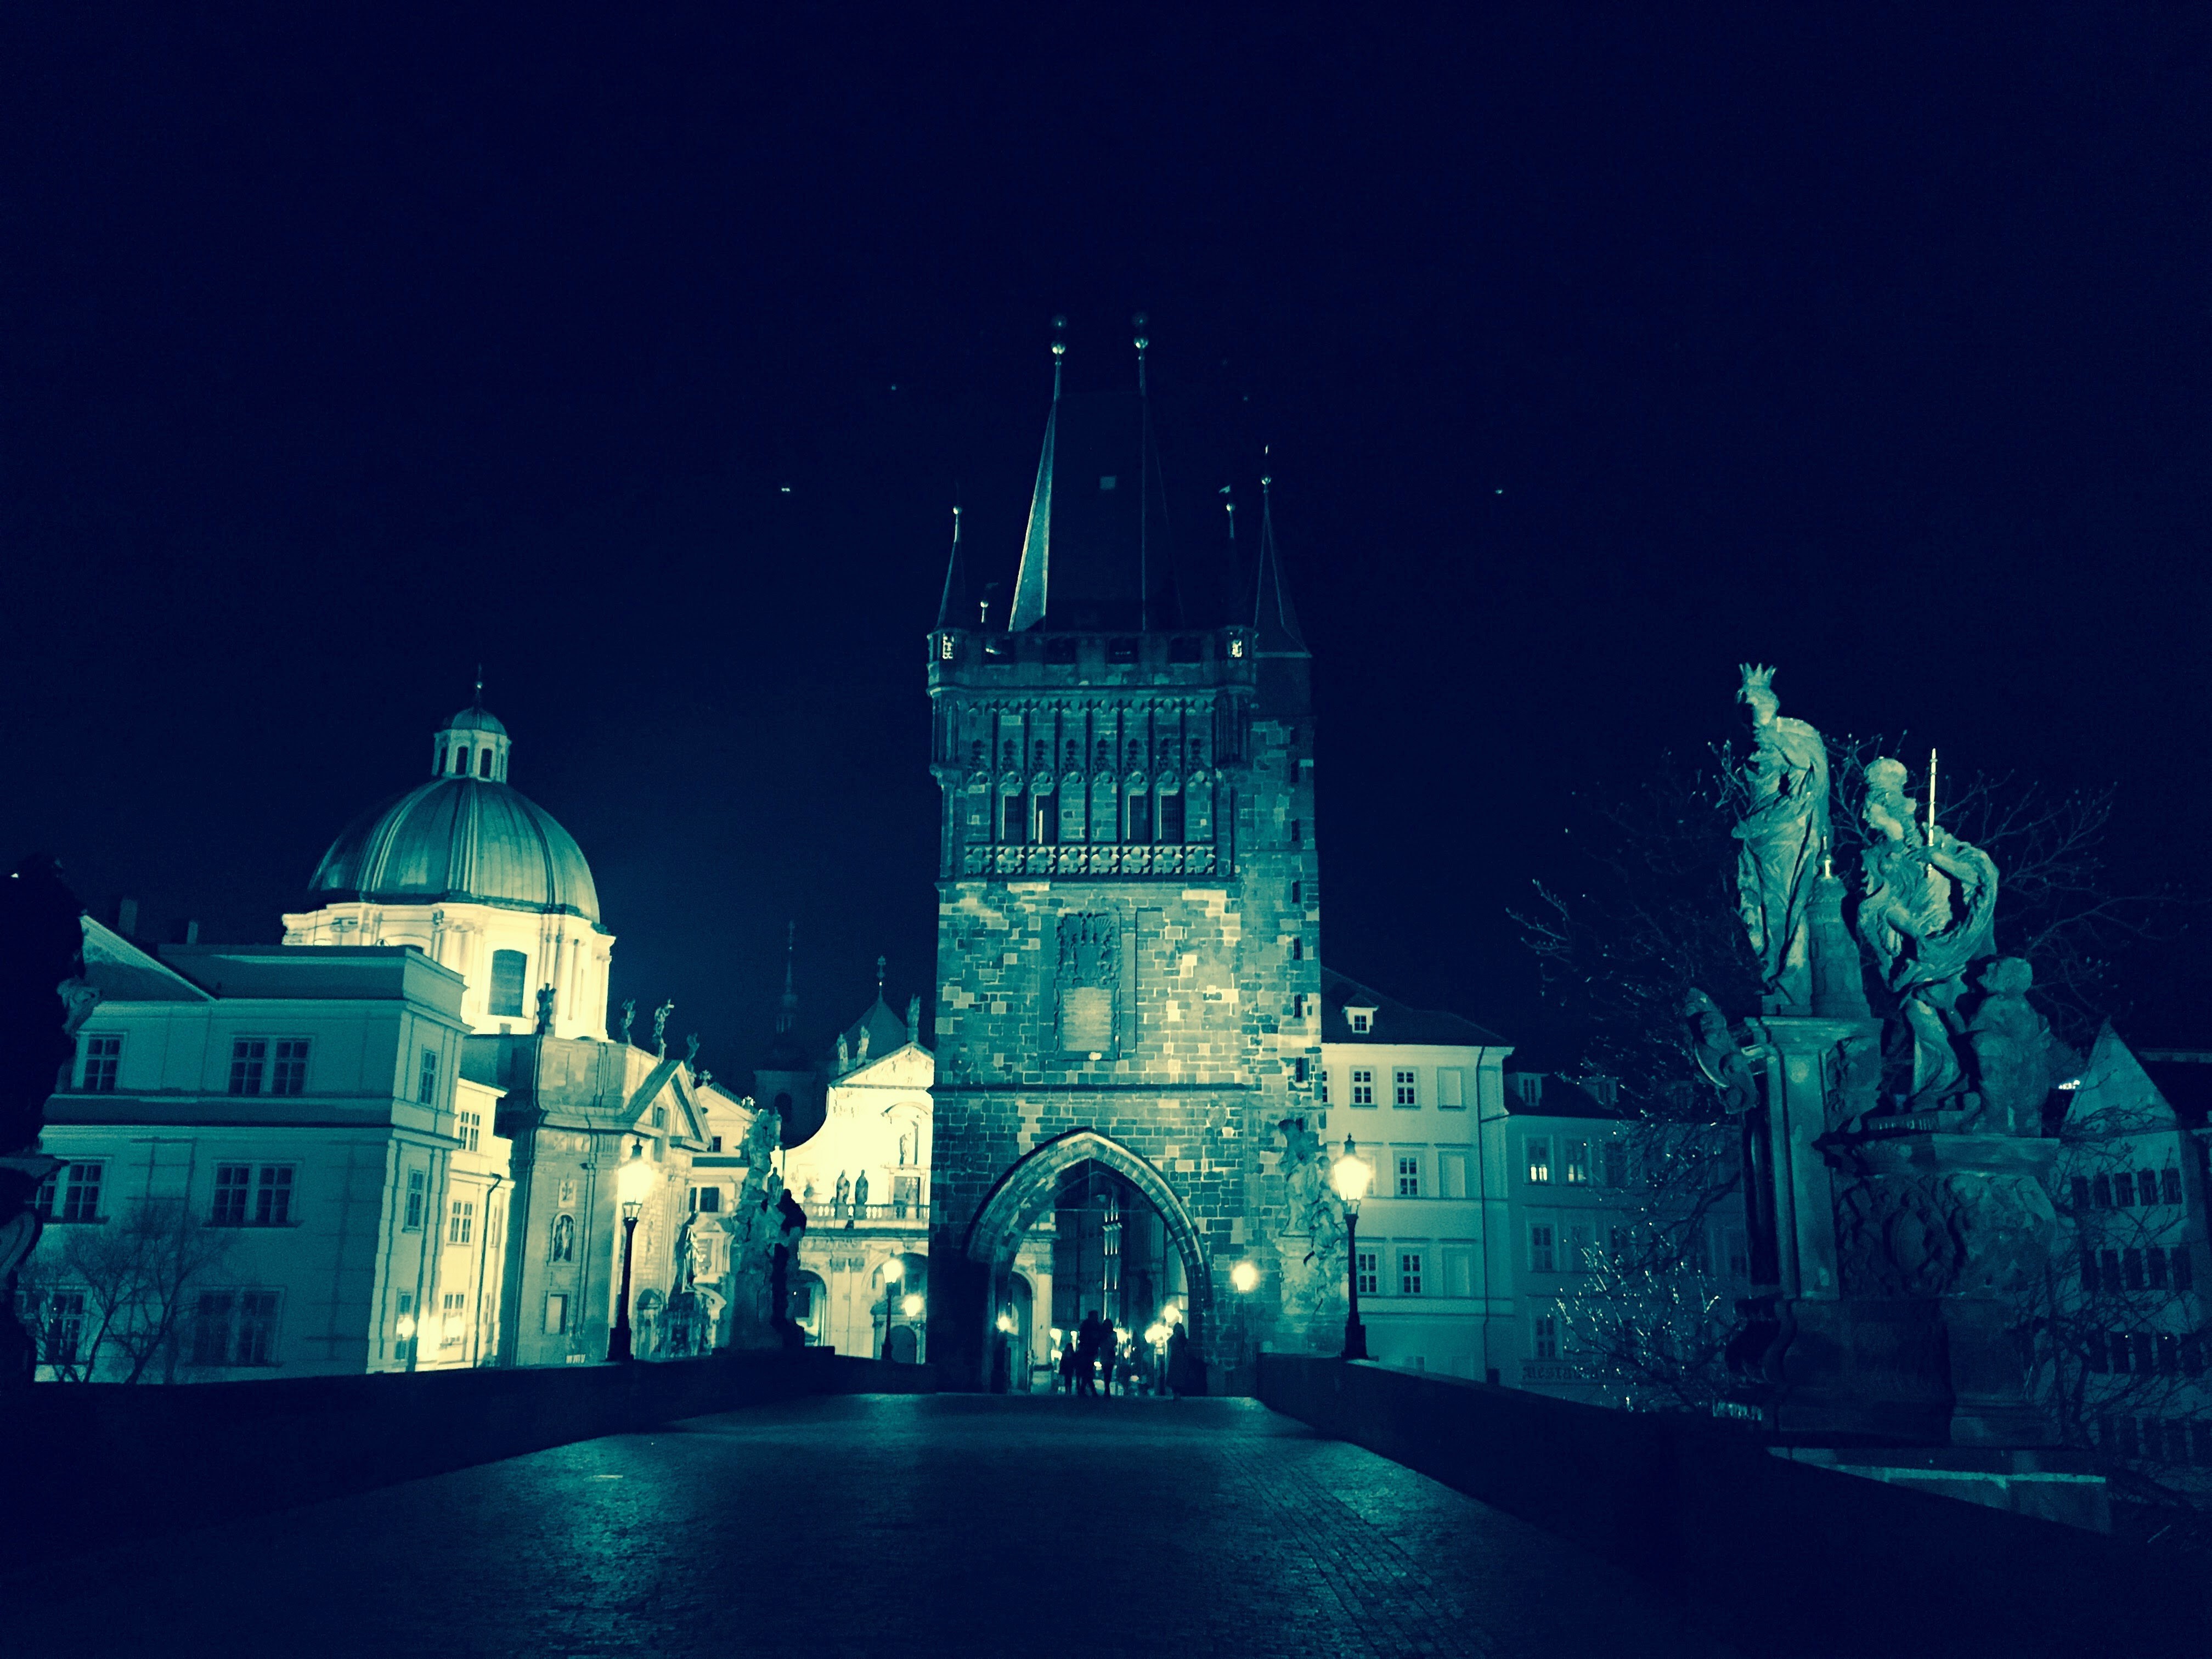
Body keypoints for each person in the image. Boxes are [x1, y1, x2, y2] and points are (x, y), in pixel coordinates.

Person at [1074, 1312, 1101, 1398]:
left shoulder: (1089, 1326)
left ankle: (1084, 1390)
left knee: (1087, 1372)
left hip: (1089, 1351)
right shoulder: (1091, 1326)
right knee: (1088, 1371)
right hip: (1087, 1351)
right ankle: (1090, 1390)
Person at [1097, 1315, 1118, 1397]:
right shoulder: (1102, 1335)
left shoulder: (1113, 1334)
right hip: (1104, 1355)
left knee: (1109, 1372)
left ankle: (1107, 1388)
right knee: (1106, 1372)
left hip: (1110, 1354)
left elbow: (1114, 1343)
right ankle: (1107, 1388)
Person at [1058, 1330, 1080, 1395]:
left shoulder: (1067, 1354)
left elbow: (1063, 1361)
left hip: (1069, 1368)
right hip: (1068, 1368)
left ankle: (1068, 1390)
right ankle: (1068, 1390)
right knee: (1068, 1379)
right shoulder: (1070, 1354)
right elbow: (1063, 1361)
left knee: (1069, 1379)